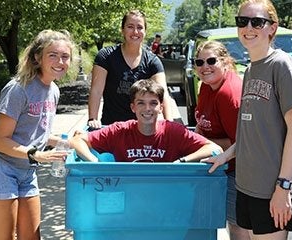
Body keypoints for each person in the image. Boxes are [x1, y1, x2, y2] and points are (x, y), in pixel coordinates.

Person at [202, 0, 292, 239]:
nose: (248, 27)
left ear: (272, 27)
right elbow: (254, 132)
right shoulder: (250, 70)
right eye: (243, 21)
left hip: (271, 190)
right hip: (246, 186)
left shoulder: (282, 65)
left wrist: (283, 187)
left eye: (257, 22)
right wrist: (225, 156)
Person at [0, 29, 77, 239]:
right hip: (0, 170)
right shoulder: (18, 89)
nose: (60, 61)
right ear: (37, 57)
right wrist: (36, 155)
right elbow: (0, 141)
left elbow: (38, 134)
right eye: (53, 55)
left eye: (65, 56)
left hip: (27, 173)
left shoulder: (53, 91)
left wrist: (71, 142)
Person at [70, 79, 222, 162]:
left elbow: (214, 149)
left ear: (161, 107)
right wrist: (95, 164)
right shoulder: (120, 130)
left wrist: (183, 161)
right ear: (133, 107)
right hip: (129, 194)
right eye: (141, 103)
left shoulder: (173, 131)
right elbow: (78, 140)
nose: (147, 108)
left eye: (153, 103)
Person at [193, 40, 250, 240]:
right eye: (199, 62)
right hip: (220, 167)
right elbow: (201, 121)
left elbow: (243, 142)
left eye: (211, 60)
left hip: (237, 170)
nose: (204, 67)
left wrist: (203, 143)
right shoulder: (207, 86)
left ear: (225, 61)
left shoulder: (229, 94)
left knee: (237, 226)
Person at [88, 10, 172, 129]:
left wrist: (170, 124)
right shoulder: (105, 56)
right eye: (130, 27)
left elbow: (163, 94)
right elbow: (96, 91)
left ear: (145, 32)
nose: (135, 31)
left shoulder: (153, 61)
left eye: (140, 27)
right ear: (122, 30)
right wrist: (93, 119)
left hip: (143, 128)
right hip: (112, 127)